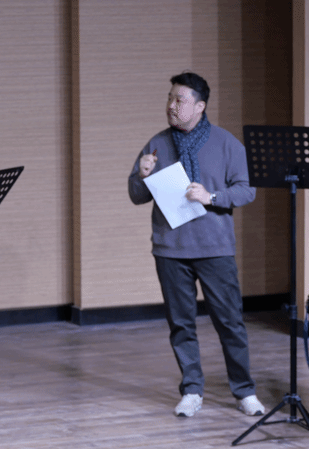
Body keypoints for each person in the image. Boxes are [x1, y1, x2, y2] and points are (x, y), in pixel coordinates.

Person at [128, 72, 265, 418]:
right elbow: (136, 195)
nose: (171, 106)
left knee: (230, 322)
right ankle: (191, 389)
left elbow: (247, 189)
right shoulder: (157, 144)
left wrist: (211, 196)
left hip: (215, 247)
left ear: (200, 106)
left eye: (180, 100)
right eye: (170, 98)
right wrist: (142, 176)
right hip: (171, 248)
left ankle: (244, 390)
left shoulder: (226, 143)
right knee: (181, 324)